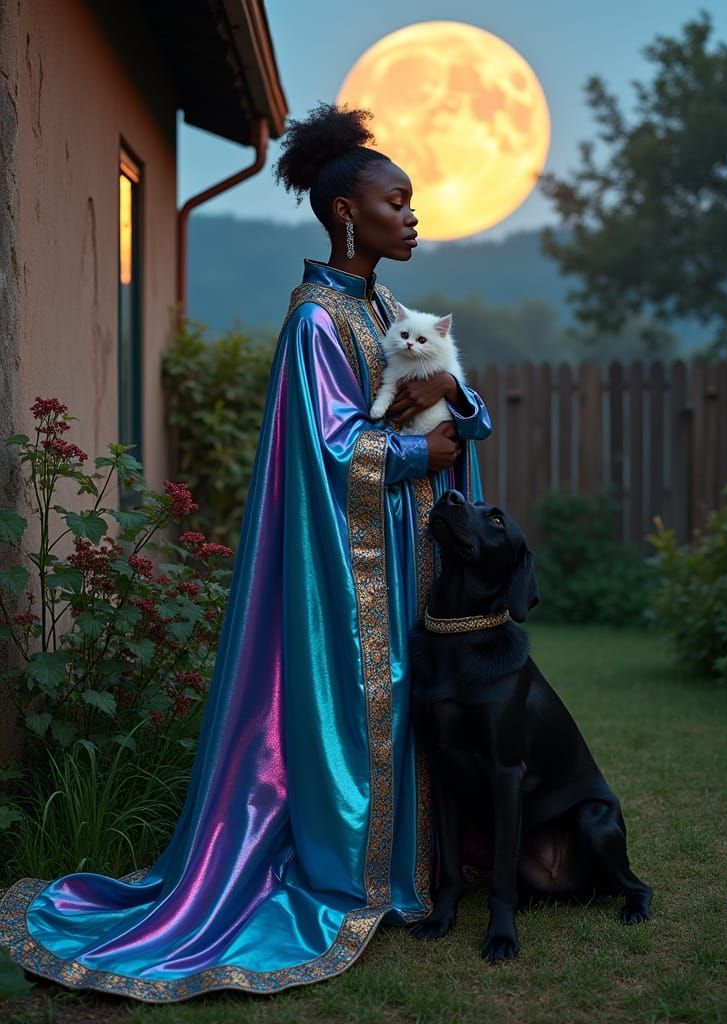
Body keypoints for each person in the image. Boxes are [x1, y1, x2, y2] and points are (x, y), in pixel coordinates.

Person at [0, 104, 491, 1003]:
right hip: (352, 567)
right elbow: (329, 450)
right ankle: (362, 880)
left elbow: (441, 386)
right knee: (365, 705)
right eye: (399, 201)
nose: (413, 216)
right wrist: (427, 450)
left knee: (420, 698)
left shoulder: (383, 304)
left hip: (409, 547)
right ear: (348, 213)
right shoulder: (315, 320)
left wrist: (459, 414)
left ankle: (424, 871)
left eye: (413, 203)